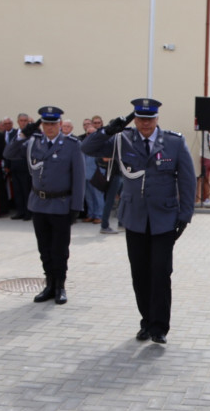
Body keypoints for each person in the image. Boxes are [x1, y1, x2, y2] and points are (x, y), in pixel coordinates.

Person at [82, 98, 196, 344]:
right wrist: (107, 130)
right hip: (134, 218)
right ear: (135, 118)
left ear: (157, 119)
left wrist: (185, 215)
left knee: (161, 273)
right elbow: (87, 149)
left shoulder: (174, 142)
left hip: (164, 219)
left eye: (150, 118)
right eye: (140, 118)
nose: (145, 123)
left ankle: (159, 327)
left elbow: (187, 180)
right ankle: (146, 321)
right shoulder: (122, 140)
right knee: (140, 274)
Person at [4, 106, 85, 305]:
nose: (49, 128)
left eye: (53, 124)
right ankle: (49, 284)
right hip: (39, 203)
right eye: (46, 124)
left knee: (60, 249)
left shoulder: (72, 144)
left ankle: (60, 286)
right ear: (41, 125)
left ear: (60, 124)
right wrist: (23, 133)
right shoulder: (33, 142)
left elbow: (79, 177)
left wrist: (76, 206)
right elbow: (9, 152)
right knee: (44, 248)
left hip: (61, 204)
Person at [7, 112, 33, 220]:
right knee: (17, 191)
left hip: (26, 167)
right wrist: (8, 165)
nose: (23, 123)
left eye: (25, 121)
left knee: (26, 190)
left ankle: (28, 212)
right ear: (18, 122)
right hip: (15, 166)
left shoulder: (32, 133)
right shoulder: (13, 134)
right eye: (21, 121)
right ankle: (20, 211)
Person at [82, 121, 105, 224]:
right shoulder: (83, 144)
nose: (89, 135)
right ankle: (91, 214)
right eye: (88, 133)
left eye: (92, 134)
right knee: (88, 197)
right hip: (85, 175)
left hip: (96, 175)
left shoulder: (101, 145)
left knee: (98, 196)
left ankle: (99, 215)